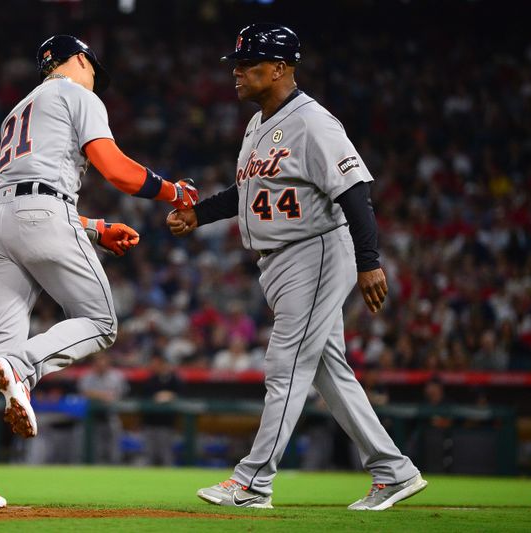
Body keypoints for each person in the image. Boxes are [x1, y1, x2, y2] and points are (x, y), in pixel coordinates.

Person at [168, 23, 426, 511]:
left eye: (250, 65)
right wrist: (198, 215)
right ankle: (393, 471)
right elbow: (247, 195)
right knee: (329, 370)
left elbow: (355, 192)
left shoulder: (313, 122)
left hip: (318, 249)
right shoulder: (257, 124)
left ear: (281, 69)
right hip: (283, 258)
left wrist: (369, 262)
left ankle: (253, 482)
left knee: (284, 365)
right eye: (238, 65)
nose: (238, 74)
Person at [0, 34, 199, 508]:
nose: (94, 76)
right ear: (79, 60)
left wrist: (97, 229)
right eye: (93, 67)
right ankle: (23, 369)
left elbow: (26, 194)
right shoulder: (78, 93)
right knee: (101, 322)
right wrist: (173, 193)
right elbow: (115, 170)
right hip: (41, 215)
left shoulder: (17, 110)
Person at [77, 352, 128, 464]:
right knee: (93, 447)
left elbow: (119, 394)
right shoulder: (87, 376)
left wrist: (98, 395)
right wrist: (102, 395)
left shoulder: (116, 376)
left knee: (114, 447)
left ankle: (114, 467)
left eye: (103, 361)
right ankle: (93, 467)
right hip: (91, 419)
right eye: (98, 362)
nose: (101, 364)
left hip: (111, 415)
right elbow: (84, 392)